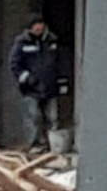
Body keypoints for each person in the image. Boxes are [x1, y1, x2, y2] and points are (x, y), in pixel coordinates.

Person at [8, 16, 68, 150]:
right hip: (30, 88)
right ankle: (34, 144)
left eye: (41, 25)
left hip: (50, 86)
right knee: (34, 117)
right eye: (36, 26)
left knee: (52, 117)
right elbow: (14, 64)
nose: (39, 28)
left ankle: (51, 144)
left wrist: (62, 81)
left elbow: (60, 62)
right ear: (30, 28)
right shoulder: (22, 43)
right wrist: (27, 78)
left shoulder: (52, 41)